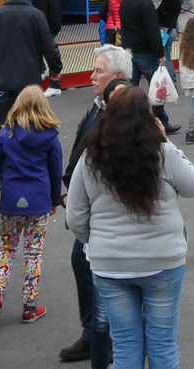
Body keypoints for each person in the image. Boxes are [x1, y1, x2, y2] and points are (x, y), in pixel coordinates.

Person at [66, 87, 194, 369]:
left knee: (126, 345)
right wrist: (167, 140)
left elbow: (76, 217)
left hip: (110, 265)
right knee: (162, 345)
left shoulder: (90, 158)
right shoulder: (162, 152)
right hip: (162, 260)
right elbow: (193, 186)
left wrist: (100, 240)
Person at [60, 47, 134, 365]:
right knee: (82, 262)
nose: (92, 76)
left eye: (98, 71)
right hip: (86, 201)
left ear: (117, 76)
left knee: (95, 265)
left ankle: (105, 336)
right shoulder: (97, 105)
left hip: (105, 208)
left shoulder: (125, 112)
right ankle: (94, 333)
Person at [0, 86, 63, 324]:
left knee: (7, 248)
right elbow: (55, 171)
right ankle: (29, 306)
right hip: (39, 202)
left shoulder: (6, 135)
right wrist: (54, 200)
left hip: (11, 203)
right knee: (34, 252)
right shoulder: (51, 137)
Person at [0, 0, 63, 125]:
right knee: (31, 122)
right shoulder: (36, 15)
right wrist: (56, 67)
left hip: (4, 78)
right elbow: (48, 46)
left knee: (6, 123)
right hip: (30, 78)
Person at [118, 0, 180, 132]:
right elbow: (152, 30)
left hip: (129, 50)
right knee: (157, 88)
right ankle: (160, 122)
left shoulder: (125, 1)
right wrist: (160, 54)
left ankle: (127, 122)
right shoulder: (145, 3)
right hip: (145, 51)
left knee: (129, 89)